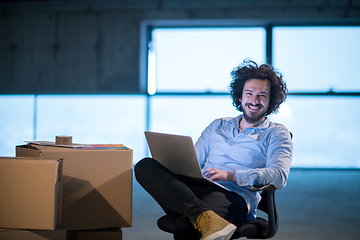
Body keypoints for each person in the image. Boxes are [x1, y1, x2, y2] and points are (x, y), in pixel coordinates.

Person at [135, 59, 293, 240]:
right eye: (249, 93)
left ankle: (198, 215)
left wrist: (230, 175)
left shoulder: (276, 133)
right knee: (145, 165)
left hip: (233, 197)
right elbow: (192, 162)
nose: (254, 100)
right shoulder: (218, 125)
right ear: (240, 96)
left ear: (270, 100)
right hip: (198, 189)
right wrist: (172, 166)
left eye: (262, 95)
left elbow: (279, 176)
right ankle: (202, 215)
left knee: (185, 224)